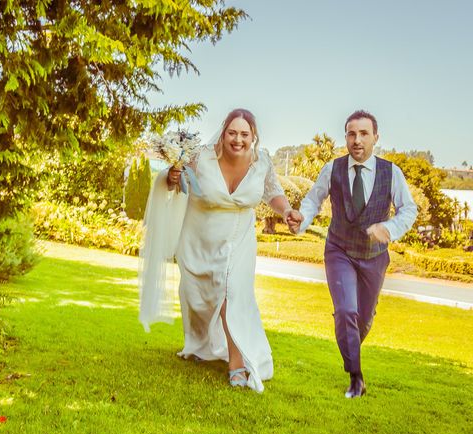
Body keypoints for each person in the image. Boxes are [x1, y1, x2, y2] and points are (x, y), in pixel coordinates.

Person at [139, 108, 299, 392]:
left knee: (232, 293)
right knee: (199, 300)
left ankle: (236, 363)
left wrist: (286, 210)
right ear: (224, 133)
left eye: (244, 134)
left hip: (239, 240)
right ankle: (202, 346)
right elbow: (174, 181)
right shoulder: (200, 157)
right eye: (232, 133)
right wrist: (172, 177)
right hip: (199, 238)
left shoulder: (262, 162)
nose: (238, 140)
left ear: (254, 137)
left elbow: (272, 193)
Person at [287, 110, 418, 398]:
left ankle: (351, 336)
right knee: (346, 310)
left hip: (374, 256)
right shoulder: (332, 169)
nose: (357, 140)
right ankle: (355, 376)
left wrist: (389, 227)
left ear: (376, 137)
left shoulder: (391, 172)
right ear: (346, 136)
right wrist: (302, 218)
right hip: (339, 250)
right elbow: (313, 199)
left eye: (363, 134)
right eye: (351, 133)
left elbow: (409, 209)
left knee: (363, 318)